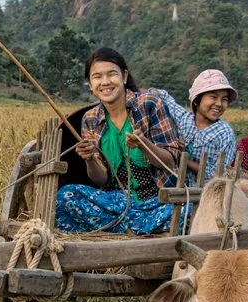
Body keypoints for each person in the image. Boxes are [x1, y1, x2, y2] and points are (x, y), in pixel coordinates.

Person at [55, 48, 183, 235]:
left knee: (186, 210)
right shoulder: (90, 119)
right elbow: (101, 178)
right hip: (116, 202)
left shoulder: (149, 103)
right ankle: (137, 227)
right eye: (97, 77)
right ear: (90, 84)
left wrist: (143, 144)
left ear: (124, 77)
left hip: (158, 201)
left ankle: (120, 227)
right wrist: (90, 158)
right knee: (67, 196)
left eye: (111, 74)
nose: (105, 82)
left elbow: (169, 161)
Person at [157, 69, 238, 187]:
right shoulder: (185, 119)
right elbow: (163, 96)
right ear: (196, 101)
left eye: (224, 99)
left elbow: (218, 173)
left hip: (206, 195)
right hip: (178, 189)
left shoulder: (225, 133)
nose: (219, 104)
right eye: (213, 97)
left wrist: (184, 159)